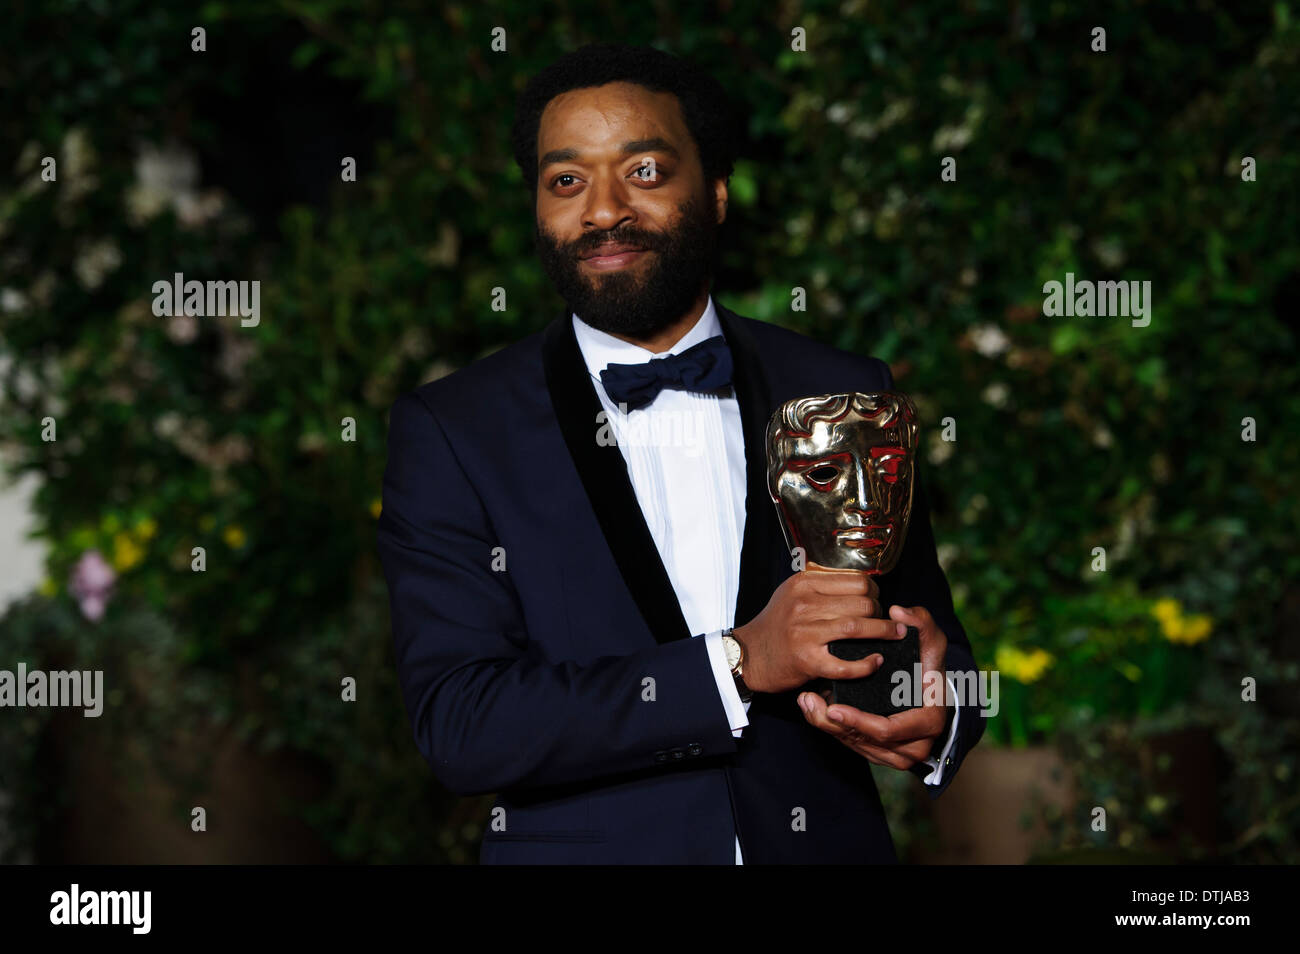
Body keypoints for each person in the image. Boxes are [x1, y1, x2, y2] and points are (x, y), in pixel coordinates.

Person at [377, 42, 984, 864]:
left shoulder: (841, 388)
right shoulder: (454, 430)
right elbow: (462, 724)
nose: (602, 210)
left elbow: (926, 628)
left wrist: (937, 709)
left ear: (719, 192)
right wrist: (735, 665)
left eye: (646, 172)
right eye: (566, 182)